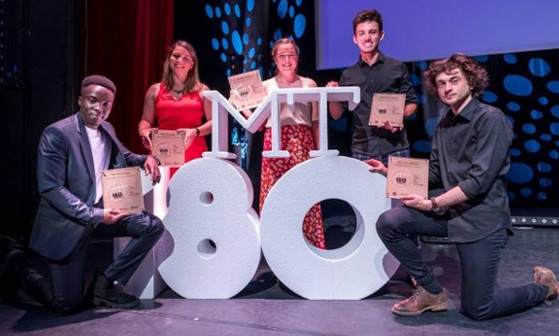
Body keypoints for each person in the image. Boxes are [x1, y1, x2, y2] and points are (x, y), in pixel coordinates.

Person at [367, 54, 559, 320]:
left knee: (479, 308)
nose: (447, 87)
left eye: (454, 80)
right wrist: (392, 173)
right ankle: (431, 292)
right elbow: (435, 172)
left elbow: (478, 182)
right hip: (450, 214)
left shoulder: (491, 119)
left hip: (481, 220)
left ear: (470, 81)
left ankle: (543, 287)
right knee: (390, 221)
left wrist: (433, 203)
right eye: (442, 83)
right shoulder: (444, 126)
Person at [29, 75, 164, 314]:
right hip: (69, 222)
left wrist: (147, 158)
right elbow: (51, 189)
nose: (99, 108)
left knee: (151, 226)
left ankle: (104, 286)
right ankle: (22, 273)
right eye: (93, 100)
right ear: (80, 100)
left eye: (106, 104)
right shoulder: (57, 134)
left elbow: (124, 155)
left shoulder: (106, 129)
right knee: (67, 305)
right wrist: (96, 214)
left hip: (100, 215)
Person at [238, 38, 326, 249]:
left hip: (302, 142)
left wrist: (318, 152)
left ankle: (309, 245)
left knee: (304, 193)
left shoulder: (309, 84)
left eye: (291, 55)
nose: (287, 60)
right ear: (274, 59)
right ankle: (278, 248)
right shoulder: (266, 86)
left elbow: (315, 121)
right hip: (274, 143)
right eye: (282, 56)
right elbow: (257, 126)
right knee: (275, 195)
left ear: (298, 57)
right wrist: (241, 105)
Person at [327, 9, 417, 165]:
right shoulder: (348, 75)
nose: (367, 37)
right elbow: (336, 115)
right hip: (362, 150)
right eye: (361, 33)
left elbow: (412, 103)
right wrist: (332, 96)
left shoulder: (397, 67)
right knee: (365, 191)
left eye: (372, 32)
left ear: (381, 35)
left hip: (396, 147)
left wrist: (398, 117)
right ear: (355, 38)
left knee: (400, 191)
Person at [138, 40, 212, 176]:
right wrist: (143, 131)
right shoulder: (154, 90)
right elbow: (146, 120)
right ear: (169, 59)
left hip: (193, 151)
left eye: (186, 58)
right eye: (176, 56)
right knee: (162, 195)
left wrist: (195, 131)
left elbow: (213, 123)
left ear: (192, 65)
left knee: (192, 193)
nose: (180, 61)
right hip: (163, 152)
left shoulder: (203, 91)